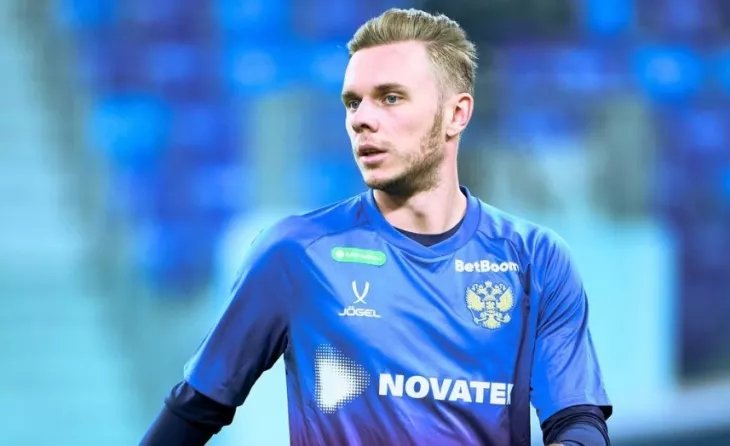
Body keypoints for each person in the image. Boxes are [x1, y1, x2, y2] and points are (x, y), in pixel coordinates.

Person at [142, 8, 612, 446]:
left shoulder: (534, 259)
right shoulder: (297, 253)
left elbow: (577, 421)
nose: (362, 120)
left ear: (456, 114)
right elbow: (195, 408)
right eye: (353, 103)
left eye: (390, 98)